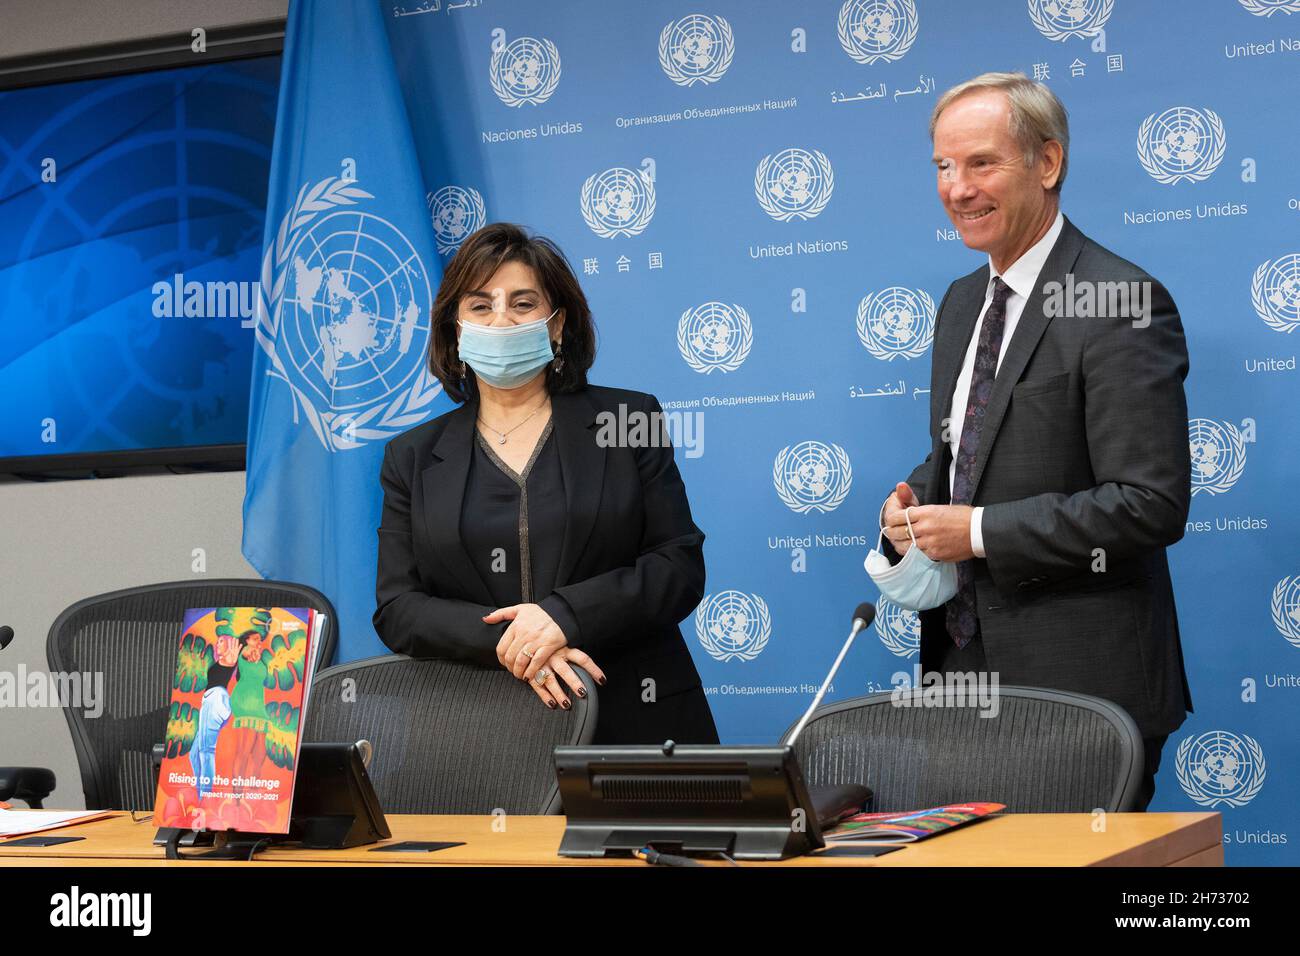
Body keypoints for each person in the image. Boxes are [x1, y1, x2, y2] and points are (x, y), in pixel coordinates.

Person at [879, 72, 1192, 811]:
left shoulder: (1119, 300)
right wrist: (916, 504)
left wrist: (978, 531)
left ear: (1047, 164)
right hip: (961, 678)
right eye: (944, 167)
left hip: (1080, 695)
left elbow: (1149, 504)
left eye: (982, 163)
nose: (958, 188)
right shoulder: (960, 304)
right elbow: (968, 453)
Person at [374, 222, 718, 746]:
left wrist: (564, 617)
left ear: (558, 325)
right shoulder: (412, 456)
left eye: (524, 303)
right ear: (455, 329)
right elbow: (399, 608)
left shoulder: (629, 417)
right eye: (481, 306)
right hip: (480, 734)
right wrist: (519, 639)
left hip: (637, 718)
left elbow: (678, 565)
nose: (501, 319)